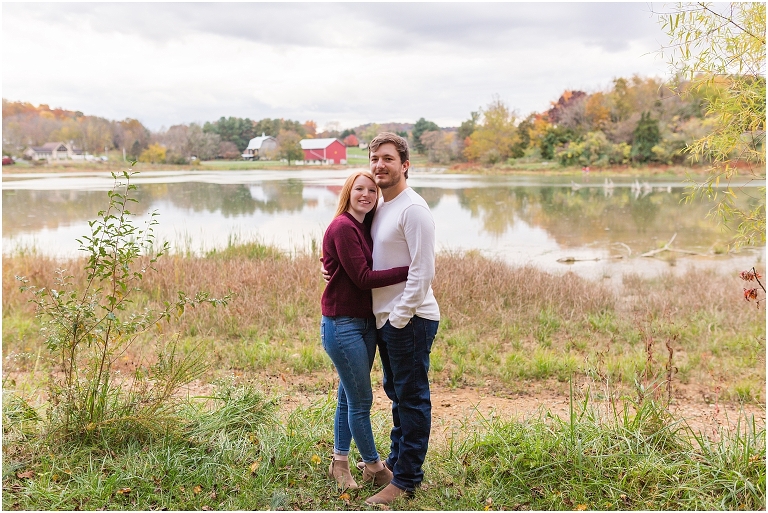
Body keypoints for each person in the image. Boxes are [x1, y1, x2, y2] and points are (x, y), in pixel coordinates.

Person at [362, 132, 440, 506]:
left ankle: (406, 480)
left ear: (405, 165)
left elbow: (423, 272)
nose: (380, 165)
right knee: (397, 396)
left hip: (410, 320)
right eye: (375, 158)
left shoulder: (413, 209)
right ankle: (395, 464)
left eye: (388, 159)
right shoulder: (380, 206)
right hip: (388, 321)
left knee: (411, 399)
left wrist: (398, 320)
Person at [320, 170, 408, 492]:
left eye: (372, 190)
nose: (366, 195)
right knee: (361, 401)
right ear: (349, 191)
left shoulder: (364, 226)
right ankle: (375, 467)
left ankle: (339, 462)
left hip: (365, 323)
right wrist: (411, 270)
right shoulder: (344, 225)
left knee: (348, 395)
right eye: (360, 189)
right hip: (342, 324)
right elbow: (363, 278)